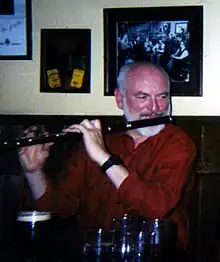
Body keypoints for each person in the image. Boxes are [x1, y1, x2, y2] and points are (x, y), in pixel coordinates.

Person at [19, 62, 197, 255]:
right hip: (95, 252)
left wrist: (104, 158)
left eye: (162, 96)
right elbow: (59, 207)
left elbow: (156, 207)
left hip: (156, 254)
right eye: (142, 97)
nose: (155, 108)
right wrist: (34, 171)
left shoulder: (179, 144)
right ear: (120, 99)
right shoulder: (97, 141)